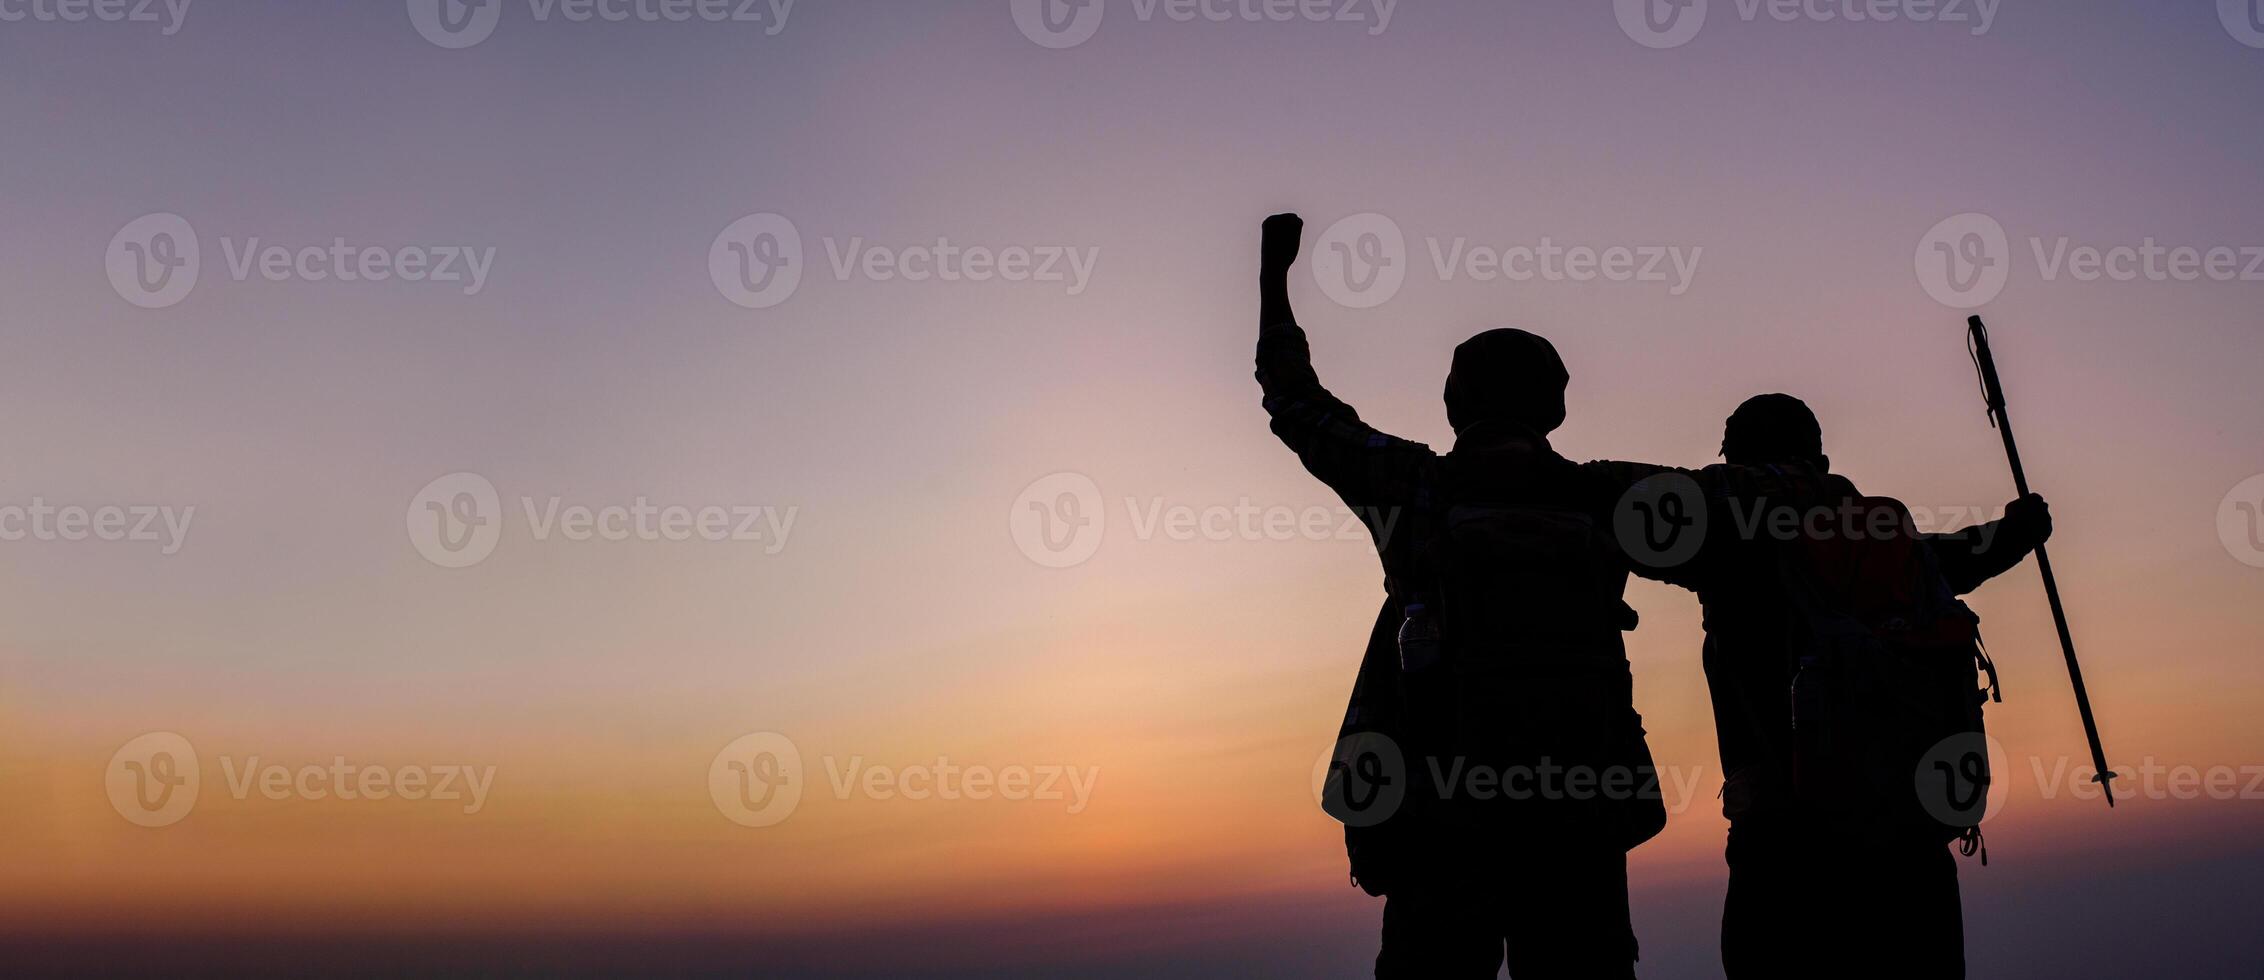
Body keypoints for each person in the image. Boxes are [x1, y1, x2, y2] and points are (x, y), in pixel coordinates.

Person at [1258, 213, 1664, 979]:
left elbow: (1296, 404)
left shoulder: (1411, 486)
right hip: (1579, 821)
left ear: (1454, 403)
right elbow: (1741, 517)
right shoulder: (1607, 496)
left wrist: (1273, 280)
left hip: (1443, 826)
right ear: (1557, 407)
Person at [1672, 394, 2052, 980]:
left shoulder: (1723, 540)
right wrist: (2020, 528)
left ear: (1738, 461)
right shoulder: (1890, 551)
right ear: (1819, 458)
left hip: (1780, 846)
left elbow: (1634, 521)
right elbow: (1966, 555)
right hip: (1906, 837)